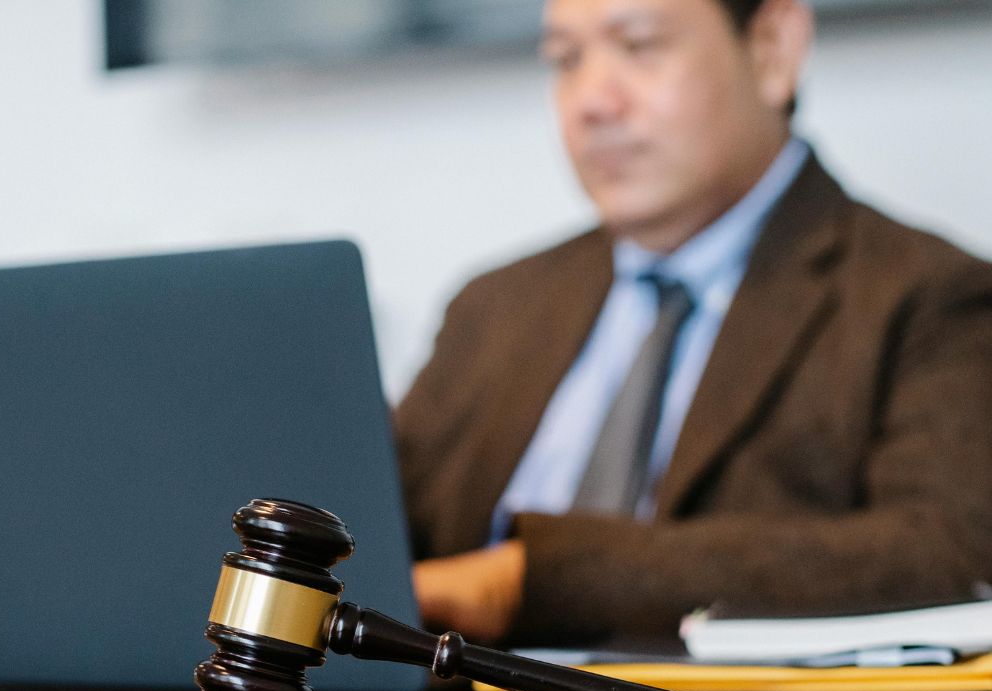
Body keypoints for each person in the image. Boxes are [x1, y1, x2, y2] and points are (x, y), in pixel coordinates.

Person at [395, 0, 992, 650]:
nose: (591, 101)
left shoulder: (927, 295)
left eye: (640, 46)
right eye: (566, 59)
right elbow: (365, 531)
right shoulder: (494, 307)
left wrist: (527, 580)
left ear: (771, 50)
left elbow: (946, 554)